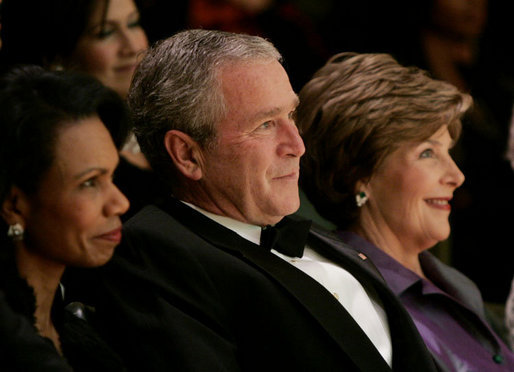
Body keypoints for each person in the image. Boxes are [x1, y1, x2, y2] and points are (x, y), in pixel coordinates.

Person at [64, 29, 438, 371]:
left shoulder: (307, 235)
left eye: (292, 115)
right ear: (187, 155)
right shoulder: (155, 253)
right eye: (265, 124)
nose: (297, 145)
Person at [297, 51, 514, 371]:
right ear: (362, 174)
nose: (456, 176)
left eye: (448, 151)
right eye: (428, 152)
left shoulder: (455, 284)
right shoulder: (348, 299)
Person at [0, 65, 130, 370]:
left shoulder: (78, 327)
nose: (120, 203)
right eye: (89, 183)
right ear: (15, 205)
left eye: (112, 176)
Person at [0, 0, 168, 220]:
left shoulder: (167, 115)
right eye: (105, 33)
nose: (133, 46)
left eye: (134, 23)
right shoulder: (52, 147)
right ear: (58, 56)